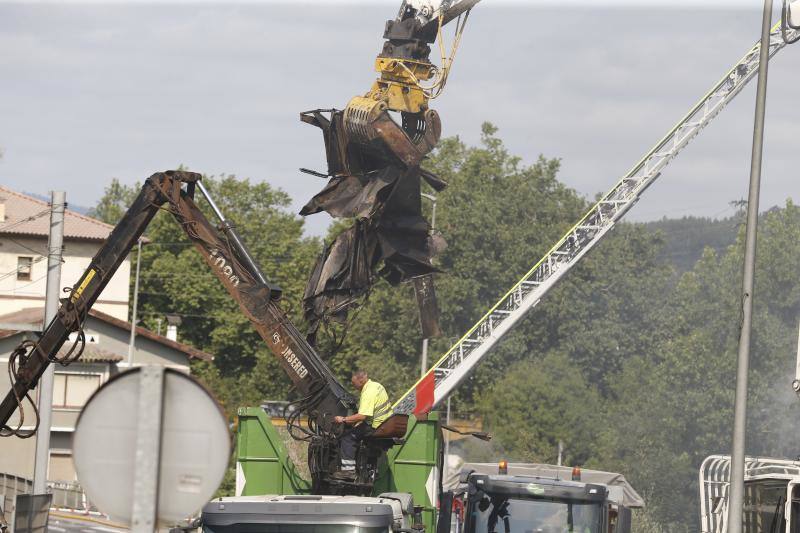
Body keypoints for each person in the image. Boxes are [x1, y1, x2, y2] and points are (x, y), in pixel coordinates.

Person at [332, 369, 391, 478]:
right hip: (385, 424)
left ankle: (348, 471)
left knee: (347, 438)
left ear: (361, 380)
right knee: (356, 431)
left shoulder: (368, 392)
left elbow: (363, 415)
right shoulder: (377, 386)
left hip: (375, 426)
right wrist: (358, 423)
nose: (354, 386)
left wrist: (343, 419)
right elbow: (369, 414)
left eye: (354, 383)